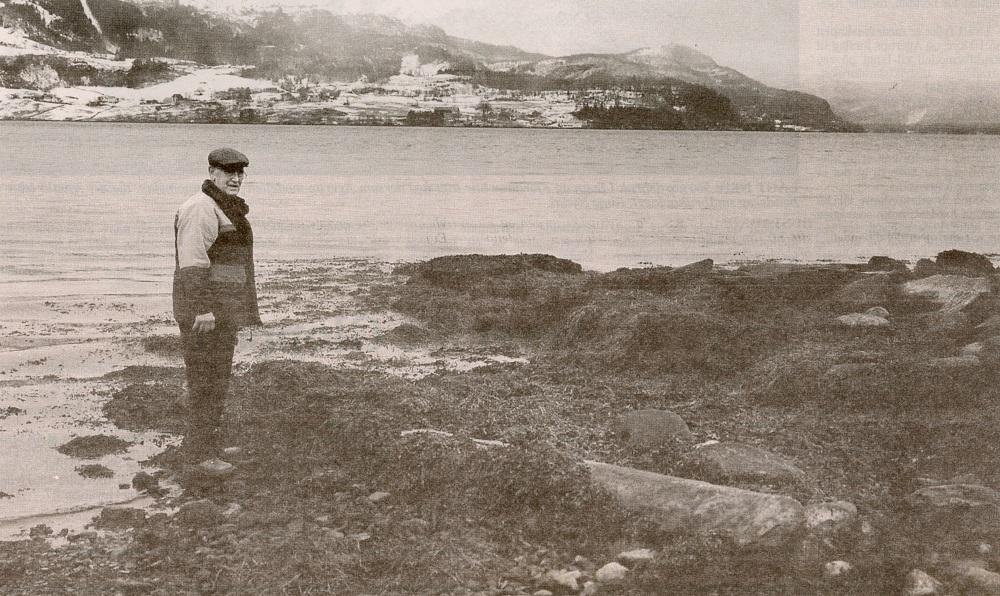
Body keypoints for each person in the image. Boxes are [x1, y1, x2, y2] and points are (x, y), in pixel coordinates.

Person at [172, 148, 261, 463]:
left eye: (240, 173)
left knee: (216, 380)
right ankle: (198, 455)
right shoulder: (201, 208)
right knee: (204, 382)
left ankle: (208, 447)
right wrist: (202, 309)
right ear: (212, 173)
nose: (235, 179)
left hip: (222, 311)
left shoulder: (225, 206)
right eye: (228, 173)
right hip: (204, 315)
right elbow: (193, 264)